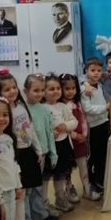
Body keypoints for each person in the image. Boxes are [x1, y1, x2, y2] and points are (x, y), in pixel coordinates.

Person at [0, 71, 45, 220]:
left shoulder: (21, 105)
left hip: (27, 152)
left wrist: (37, 149)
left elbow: (30, 129)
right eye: (7, 89)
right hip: (16, 155)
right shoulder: (2, 113)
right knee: (18, 196)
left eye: (14, 87)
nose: (12, 91)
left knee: (24, 192)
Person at [23, 74, 62, 219]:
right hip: (29, 154)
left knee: (38, 187)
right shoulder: (23, 109)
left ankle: (39, 214)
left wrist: (53, 154)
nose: (39, 94)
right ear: (26, 90)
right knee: (28, 189)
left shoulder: (45, 109)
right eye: (35, 90)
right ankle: (29, 219)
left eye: (41, 90)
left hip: (43, 154)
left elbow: (49, 132)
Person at [43, 73, 78, 212]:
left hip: (63, 145)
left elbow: (74, 121)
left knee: (61, 175)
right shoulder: (42, 108)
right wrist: (51, 134)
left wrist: (66, 126)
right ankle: (44, 203)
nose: (56, 91)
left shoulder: (63, 106)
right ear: (44, 91)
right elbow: (39, 129)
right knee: (46, 177)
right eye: (51, 89)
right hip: (49, 147)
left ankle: (60, 199)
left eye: (58, 88)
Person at [60, 73, 92, 202]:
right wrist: (74, 135)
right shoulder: (61, 106)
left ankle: (87, 188)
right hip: (67, 140)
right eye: (67, 89)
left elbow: (83, 119)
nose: (71, 91)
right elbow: (62, 125)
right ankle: (69, 189)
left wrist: (84, 134)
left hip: (80, 140)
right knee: (68, 167)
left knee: (83, 164)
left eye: (73, 88)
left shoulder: (77, 103)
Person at [80, 57, 110, 198]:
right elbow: (87, 108)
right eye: (92, 70)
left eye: (99, 70)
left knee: (102, 155)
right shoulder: (84, 89)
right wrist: (105, 108)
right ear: (86, 71)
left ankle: (100, 182)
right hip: (93, 127)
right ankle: (90, 185)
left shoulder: (100, 85)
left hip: (104, 123)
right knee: (93, 157)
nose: (96, 73)